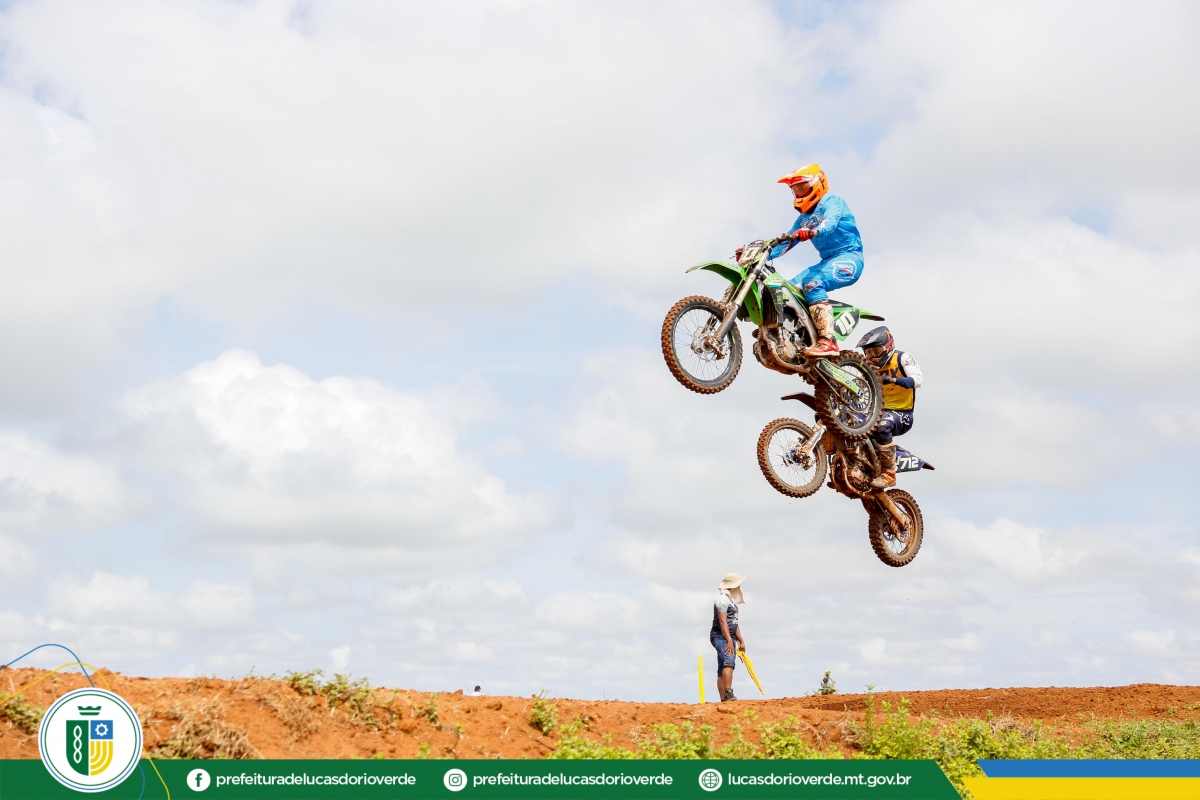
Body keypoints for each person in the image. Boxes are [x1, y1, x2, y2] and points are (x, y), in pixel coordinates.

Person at [767, 164, 865, 358]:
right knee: (787, 289)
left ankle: (828, 340)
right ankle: (799, 336)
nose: (799, 193)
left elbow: (830, 223)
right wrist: (761, 252)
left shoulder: (832, 201)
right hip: (827, 262)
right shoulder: (804, 218)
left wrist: (813, 231)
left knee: (812, 282)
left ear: (817, 184)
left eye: (802, 187)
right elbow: (786, 241)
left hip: (849, 258)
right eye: (795, 190)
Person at [857, 325, 922, 489]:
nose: (873, 357)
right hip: (877, 412)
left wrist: (894, 380)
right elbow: (857, 386)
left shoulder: (902, 358)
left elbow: (917, 380)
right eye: (868, 353)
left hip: (902, 414)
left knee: (882, 425)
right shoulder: (868, 367)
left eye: (876, 351)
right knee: (848, 418)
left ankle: (889, 474)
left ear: (888, 347)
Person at [710, 572, 747, 702]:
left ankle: (724, 699)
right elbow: (722, 622)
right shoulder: (722, 600)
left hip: (728, 636)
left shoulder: (731, 601)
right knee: (728, 663)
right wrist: (729, 641)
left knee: (723, 666)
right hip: (721, 636)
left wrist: (740, 640)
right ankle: (728, 693)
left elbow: (734, 623)